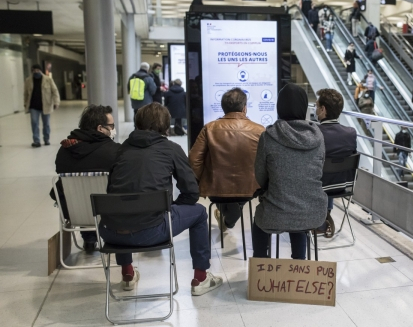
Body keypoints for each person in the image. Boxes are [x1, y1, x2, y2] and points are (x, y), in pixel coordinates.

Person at [99, 103, 222, 296]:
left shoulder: (120, 150)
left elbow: (113, 191)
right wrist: (170, 208)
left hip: (111, 233)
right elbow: (191, 192)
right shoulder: (171, 149)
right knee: (199, 212)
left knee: (122, 210)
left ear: (137, 124)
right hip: (152, 231)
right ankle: (200, 277)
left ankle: (128, 274)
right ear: (165, 126)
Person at [252, 83, 328, 259]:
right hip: (314, 212)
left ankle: (262, 268)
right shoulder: (318, 136)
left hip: (276, 213)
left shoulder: (269, 136)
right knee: (299, 219)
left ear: (280, 106)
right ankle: (299, 266)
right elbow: (319, 170)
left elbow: (260, 175)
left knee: (260, 221)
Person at [189, 88, 264, 232]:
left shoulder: (209, 128)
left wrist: (204, 178)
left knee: (225, 199)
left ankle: (226, 220)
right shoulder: (259, 130)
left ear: (223, 108)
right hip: (250, 189)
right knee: (237, 201)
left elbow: (194, 160)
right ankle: (228, 222)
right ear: (244, 108)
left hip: (216, 188)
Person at [51, 105, 119, 252]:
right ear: (101, 128)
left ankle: (89, 239)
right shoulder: (114, 152)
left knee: (81, 196)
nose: (113, 129)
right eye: (112, 126)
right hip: (109, 214)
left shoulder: (64, 151)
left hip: (75, 213)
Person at [315, 89, 357, 237]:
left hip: (319, 188)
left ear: (323, 109)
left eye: (316, 106)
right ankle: (325, 215)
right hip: (344, 186)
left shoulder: (315, 132)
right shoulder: (351, 133)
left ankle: (319, 220)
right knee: (330, 173)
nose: (315, 109)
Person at [24, 64, 60, 147]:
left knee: (46, 124)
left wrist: (56, 102)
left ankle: (46, 139)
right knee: (34, 123)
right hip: (33, 106)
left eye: (37, 70)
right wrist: (25, 103)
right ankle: (36, 141)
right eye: (34, 70)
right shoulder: (28, 80)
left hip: (46, 105)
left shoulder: (48, 80)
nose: (36, 72)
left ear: (41, 70)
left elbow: (55, 91)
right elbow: (25, 93)